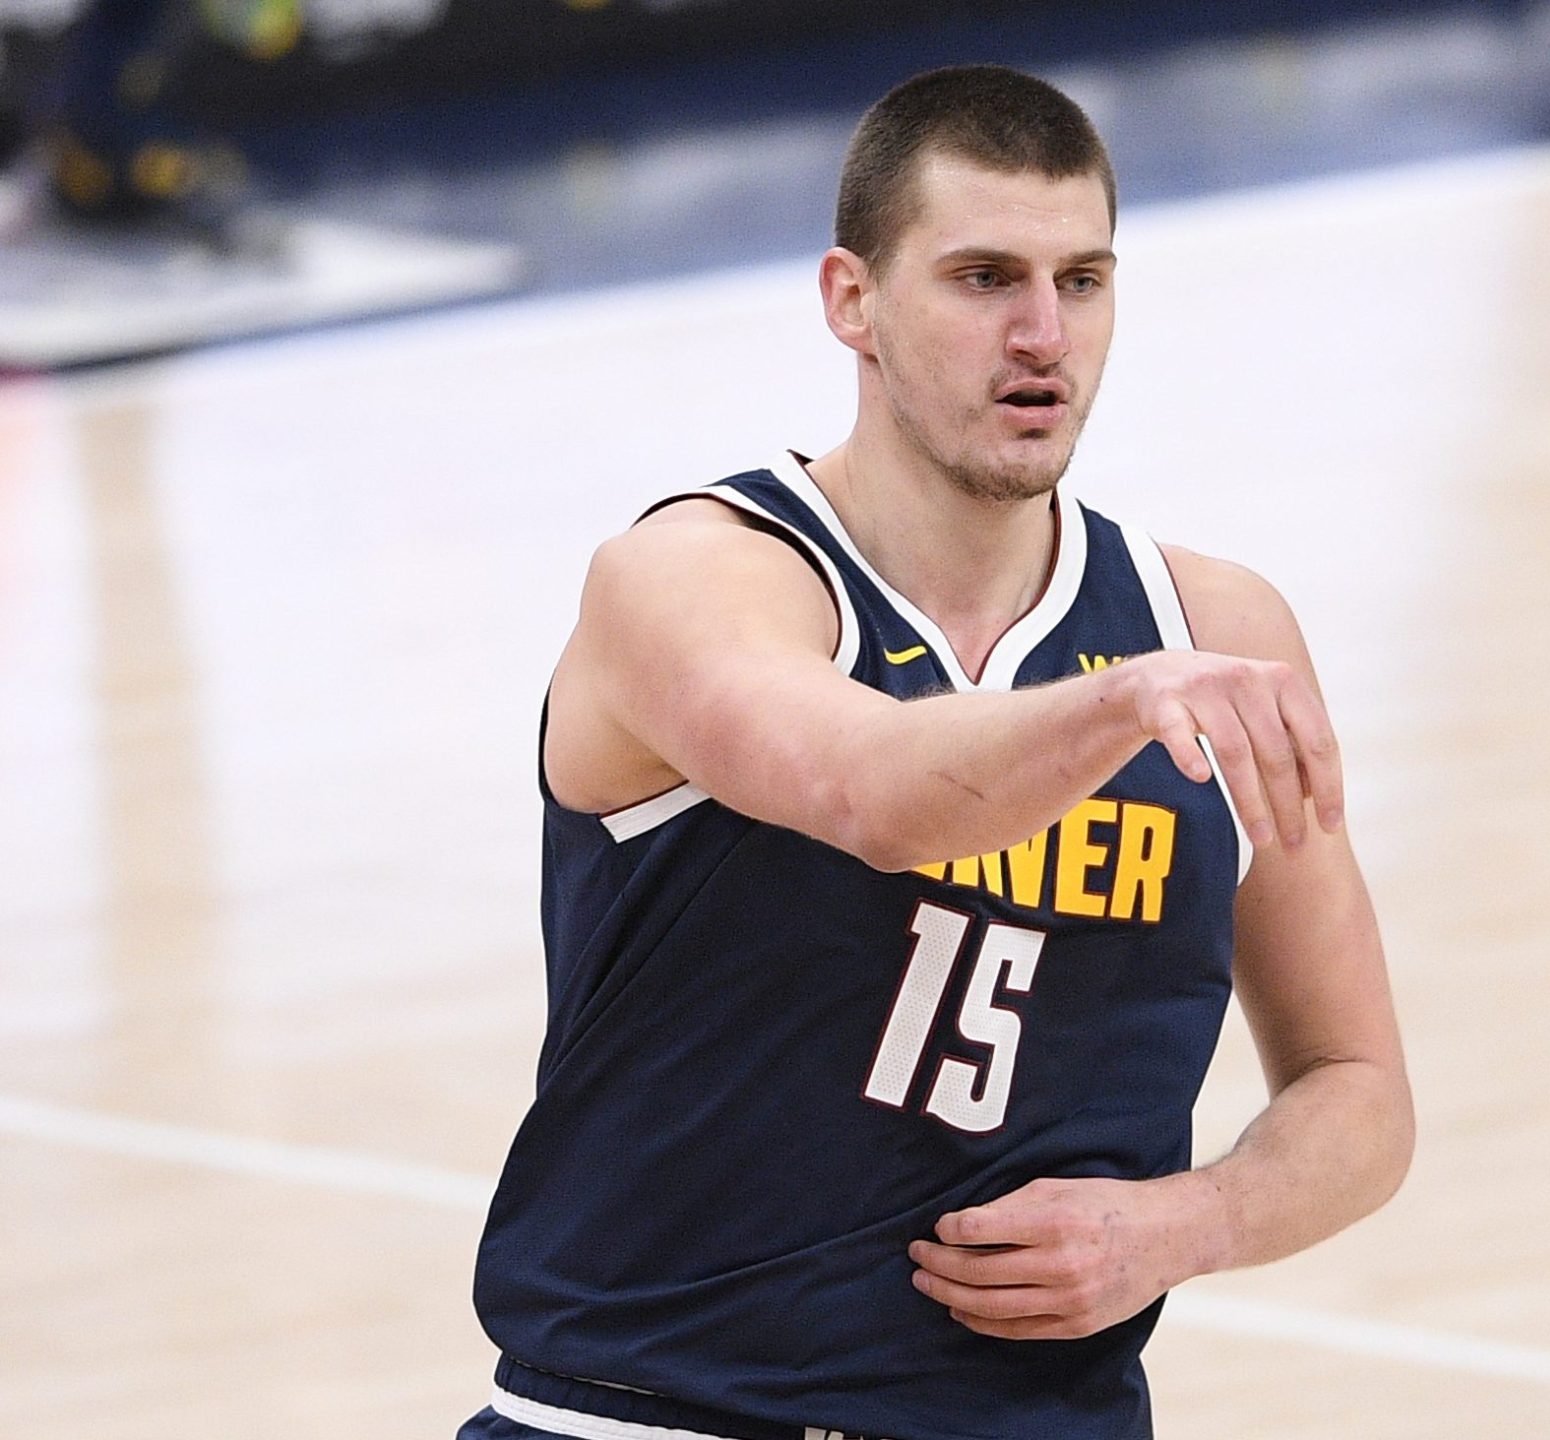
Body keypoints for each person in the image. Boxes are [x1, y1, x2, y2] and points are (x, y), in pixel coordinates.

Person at [459, 63, 1414, 1440]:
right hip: (650, 1416)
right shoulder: (694, 580)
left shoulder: (1210, 623)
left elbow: (1361, 1090)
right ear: (853, 300)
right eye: (983, 279)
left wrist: (1189, 1224)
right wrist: (1118, 703)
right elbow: (877, 792)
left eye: (1082, 281)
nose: (1043, 334)